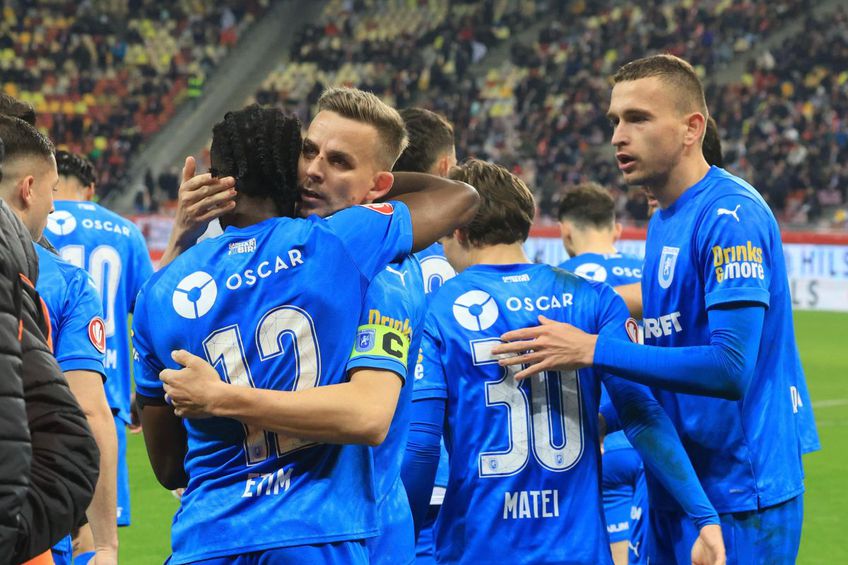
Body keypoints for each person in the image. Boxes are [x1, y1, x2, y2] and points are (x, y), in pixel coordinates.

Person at [493, 54, 807, 564]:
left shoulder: (731, 217)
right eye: (614, 120)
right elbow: (671, 333)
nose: (618, 135)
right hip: (677, 481)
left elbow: (731, 368)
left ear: (692, 129)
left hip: (739, 493)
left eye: (637, 119)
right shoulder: (665, 216)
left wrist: (595, 349)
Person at [134, 104, 478, 564]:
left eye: (338, 162)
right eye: (307, 153)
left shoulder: (379, 269)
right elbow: (457, 195)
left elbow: (169, 463)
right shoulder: (346, 250)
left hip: (218, 535)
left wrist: (180, 245)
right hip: (325, 530)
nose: (314, 171)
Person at [402, 158, 724, 564]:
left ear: (458, 230)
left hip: (481, 548)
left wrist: (400, 540)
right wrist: (704, 515)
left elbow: (421, 447)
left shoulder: (436, 308)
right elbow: (641, 413)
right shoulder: (594, 298)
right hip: (579, 551)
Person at [0, 114, 99, 562]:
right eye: (52, 190)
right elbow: (85, 410)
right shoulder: (58, 280)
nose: (55, 207)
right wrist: (104, 538)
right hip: (28, 527)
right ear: (28, 188)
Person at [45, 149, 154, 529]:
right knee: (98, 537)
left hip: (40, 390)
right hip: (103, 394)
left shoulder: (29, 220)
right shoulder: (125, 230)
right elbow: (148, 313)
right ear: (90, 189)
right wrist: (143, 388)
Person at [557, 182, 645, 565]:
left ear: (565, 232)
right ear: (617, 229)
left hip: (595, 443)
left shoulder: (557, 282)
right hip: (654, 440)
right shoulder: (648, 274)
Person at [393, 107, 457, 564]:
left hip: (382, 481)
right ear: (446, 170)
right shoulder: (461, 266)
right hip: (457, 479)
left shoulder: (369, 254)